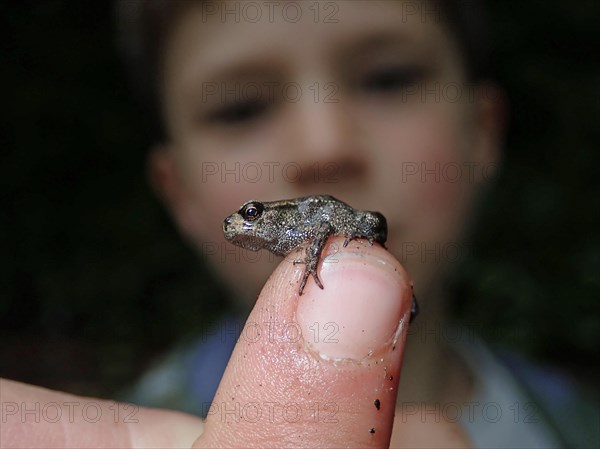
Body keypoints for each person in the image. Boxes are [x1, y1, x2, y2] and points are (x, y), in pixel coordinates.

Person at [2, 1, 596, 448]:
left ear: (484, 131)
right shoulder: (150, 417)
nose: (325, 146)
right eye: (241, 107)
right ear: (174, 190)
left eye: (388, 78)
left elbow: (323, 240)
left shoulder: (575, 422)